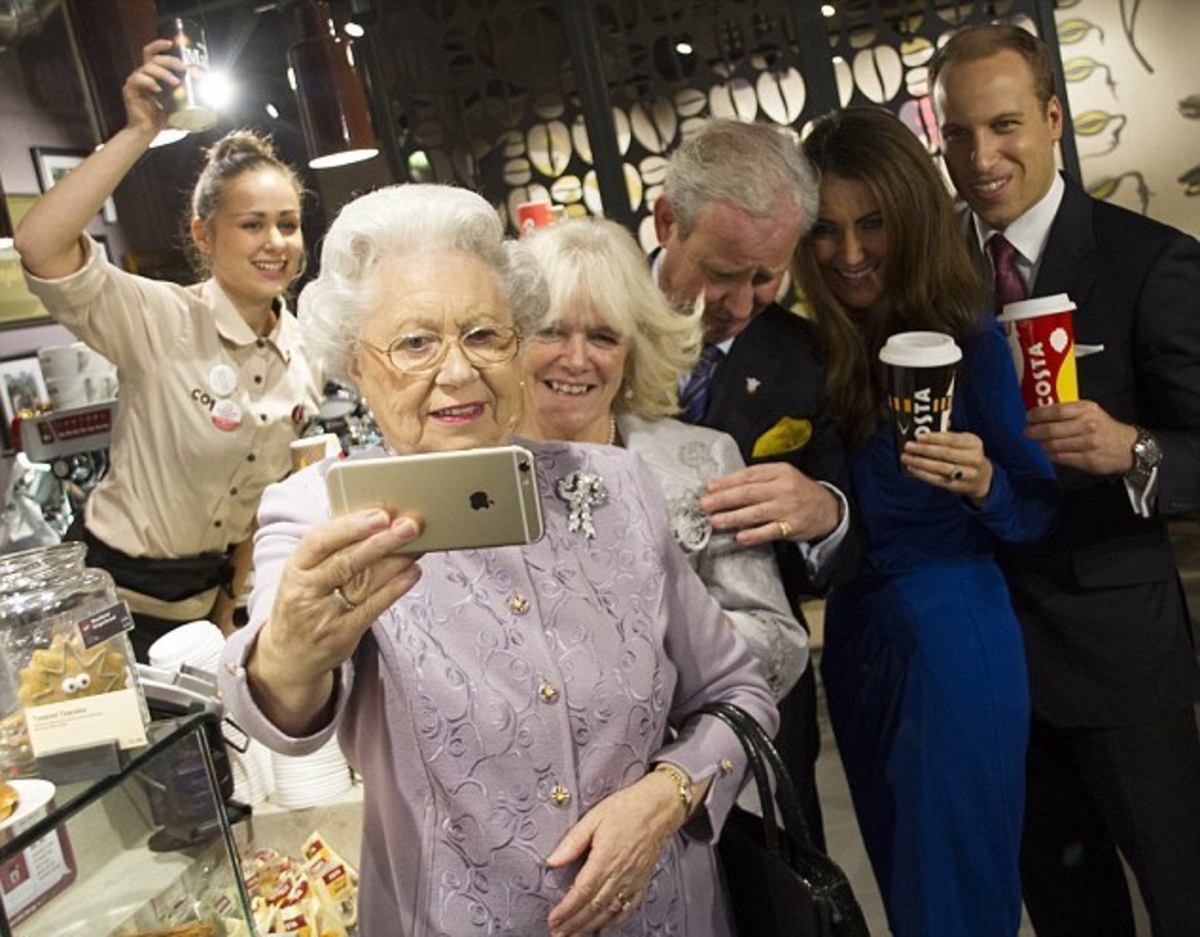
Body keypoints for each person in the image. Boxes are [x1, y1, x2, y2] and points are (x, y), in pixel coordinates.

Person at [217, 183, 778, 936]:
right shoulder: (321, 513)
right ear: (356, 361)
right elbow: (282, 709)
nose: (457, 371)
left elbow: (740, 691)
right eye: (416, 342)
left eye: (484, 334)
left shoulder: (612, 484)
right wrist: (289, 650)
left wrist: (669, 790)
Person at [931, 23, 1200, 936]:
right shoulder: (932, 280)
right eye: (959, 134)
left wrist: (1135, 449)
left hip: (1123, 662)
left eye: (1004, 125)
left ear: (1052, 118)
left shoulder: (1147, 261)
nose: (982, 155)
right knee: (1067, 910)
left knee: (1182, 893)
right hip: (995, 665)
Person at [793, 105, 1058, 936]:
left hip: (955, 639)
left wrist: (983, 483)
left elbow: (1038, 509)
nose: (850, 252)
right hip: (859, 646)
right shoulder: (812, 353)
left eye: (871, 223)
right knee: (911, 903)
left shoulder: (967, 337)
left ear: (909, 213)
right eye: (826, 229)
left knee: (958, 906)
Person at [15, 40, 322, 658]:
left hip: (201, 617)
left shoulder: (302, 349)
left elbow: (259, 501)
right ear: (204, 234)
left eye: (287, 223)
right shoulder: (159, 318)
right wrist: (138, 132)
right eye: (252, 223)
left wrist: (233, 604)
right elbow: (40, 243)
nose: (276, 242)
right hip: (103, 605)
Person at [651, 117, 855, 847]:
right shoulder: (586, 331)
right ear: (667, 220)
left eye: (766, 276)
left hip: (765, 697)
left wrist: (825, 512)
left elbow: (846, 513)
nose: (739, 303)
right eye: (721, 271)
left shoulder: (813, 359)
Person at [518, 216, 808, 699]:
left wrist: (642, 632)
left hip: (695, 753)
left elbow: (781, 646)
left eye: (603, 337)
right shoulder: (475, 476)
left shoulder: (701, 460)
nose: (576, 358)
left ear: (632, 350)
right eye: (551, 331)